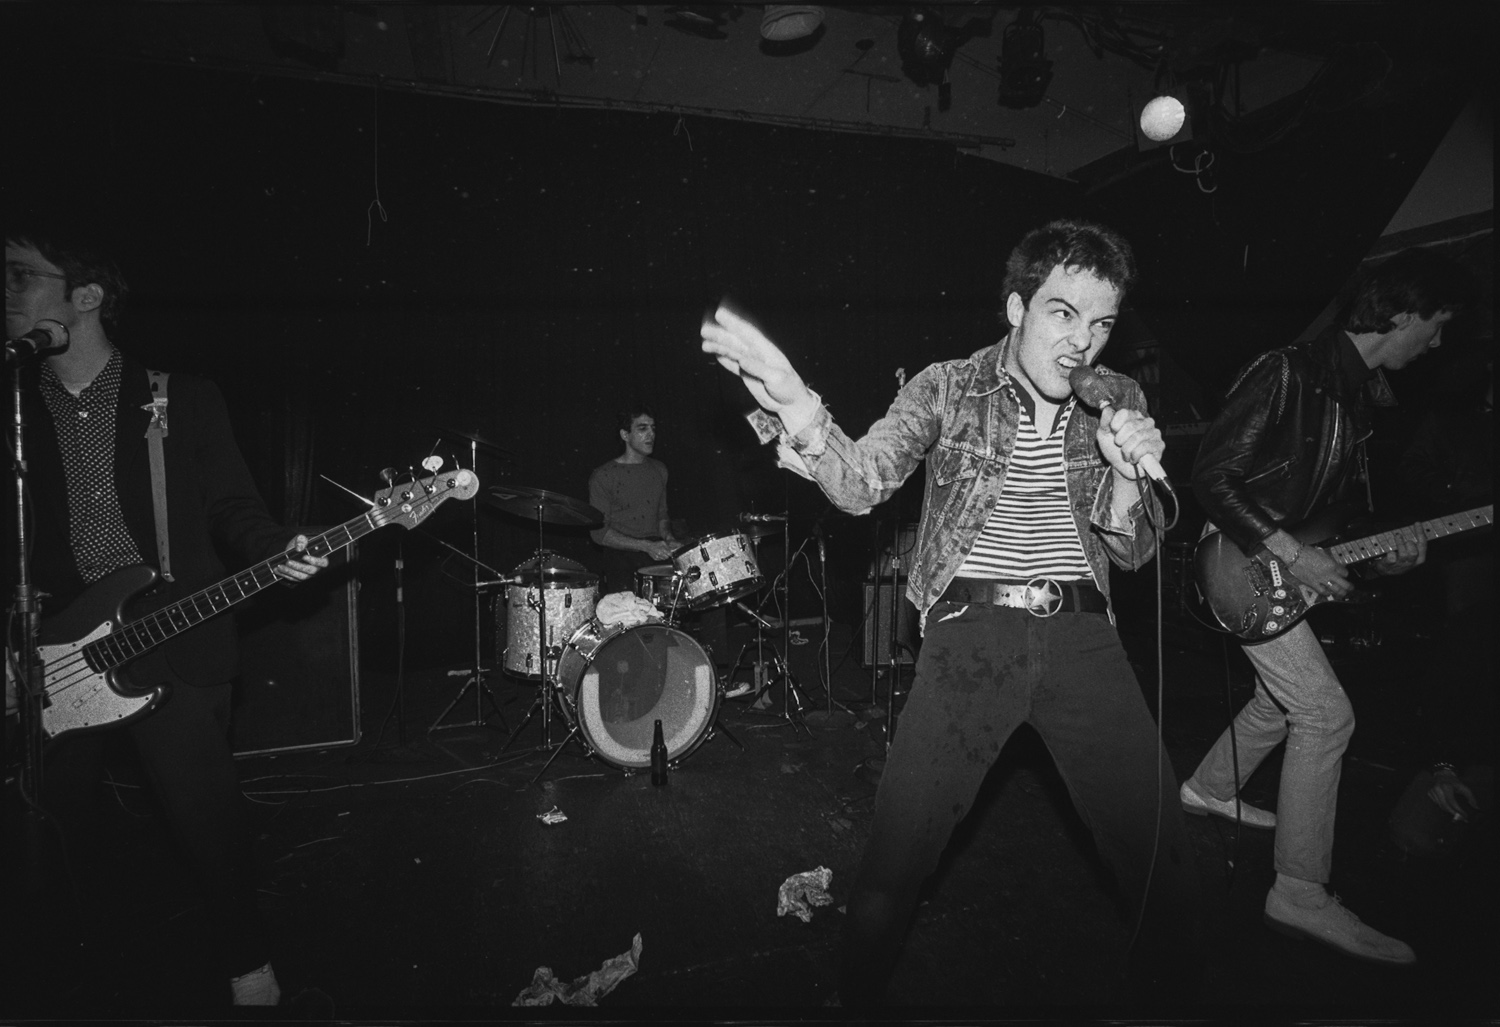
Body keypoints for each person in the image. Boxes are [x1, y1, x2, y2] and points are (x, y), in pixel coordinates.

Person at [702, 219, 1198, 1005]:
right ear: (1016, 309)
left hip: (1082, 641)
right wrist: (798, 405)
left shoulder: (1117, 399)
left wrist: (1129, 471)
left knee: (1167, 867)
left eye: (1101, 323)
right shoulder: (949, 386)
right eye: (1063, 314)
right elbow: (861, 482)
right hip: (974, 636)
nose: (1083, 342)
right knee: (893, 868)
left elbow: (1132, 552)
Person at [4, 225, 328, 1006]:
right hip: (53, 654)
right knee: (52, 836)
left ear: (83, 298)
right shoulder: (13, 411)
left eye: (19, 277)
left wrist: (281, 545)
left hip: (172, 633)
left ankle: (248, 963)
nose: (5, 293)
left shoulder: (178, 397)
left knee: (206, 823)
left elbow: (235, 511)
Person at [1184, 247, 1473, 965]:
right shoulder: (1289, 370)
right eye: (1434, 325)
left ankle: (1208, 788)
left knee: (1281, 702)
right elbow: (1212, 475)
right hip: (1238, 561)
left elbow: (1336, 524)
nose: (1436, 342)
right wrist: (1291, 550)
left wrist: (1388, 553)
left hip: (1281, 565)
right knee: (1326, 712)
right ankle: (1300, 893)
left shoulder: (1363, 399)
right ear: (1401, 313)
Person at [587, 407, 681, 594]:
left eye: (653, 428)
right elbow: (599, 535)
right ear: (625, 435)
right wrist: (646, 546)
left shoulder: (659, 469)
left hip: (654, 548)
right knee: (633, 616)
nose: (651, 434)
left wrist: (670, 539)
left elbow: (662, 515)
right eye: (642, 429)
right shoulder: (603, 475)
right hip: (621, 553)